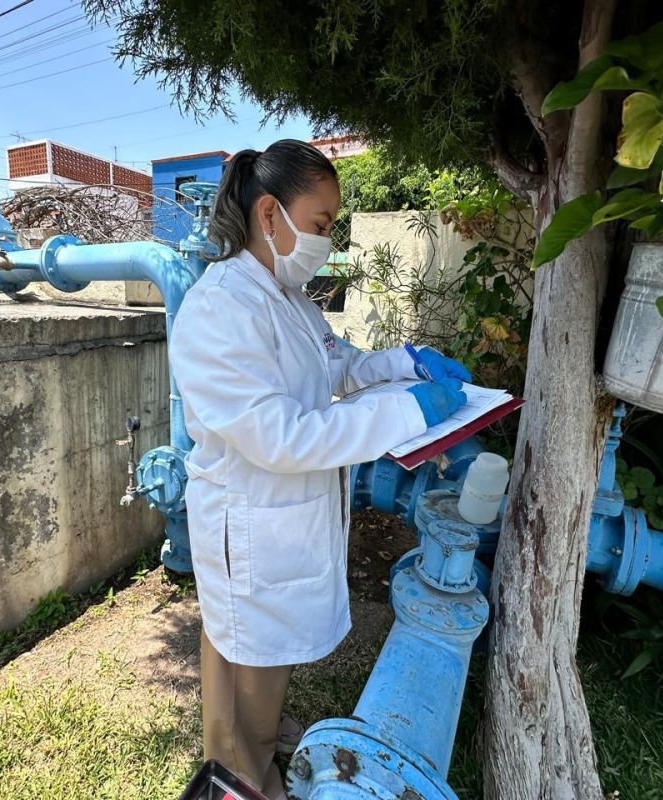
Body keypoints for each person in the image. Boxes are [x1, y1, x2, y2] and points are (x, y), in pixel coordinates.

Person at [169, 139, 471, 800]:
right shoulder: (221, 308)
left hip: (278, 522)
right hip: (250, 525)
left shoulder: (290, 301)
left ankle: (253, 760)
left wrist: (405, 363)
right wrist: (410, 415)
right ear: (270, 214)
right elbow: (281, 437)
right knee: (249, 682)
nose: (329, 241)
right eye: (323, 223)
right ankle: (248, 782)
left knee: (258, 669)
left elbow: (338, 368)